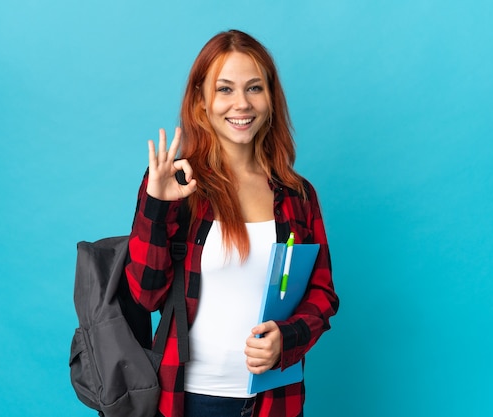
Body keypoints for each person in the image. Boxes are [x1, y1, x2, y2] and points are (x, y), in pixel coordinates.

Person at [125, 29, 339, 417]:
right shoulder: (175, 182)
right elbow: (146, 295)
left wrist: (287, 338)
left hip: (274, 402)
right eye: (225, 89)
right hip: (188, 400)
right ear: (201, 101)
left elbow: (322, 293)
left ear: (271, 98)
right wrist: (156, 206)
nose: (241, 103)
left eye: (254, 88)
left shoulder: (298, 195)